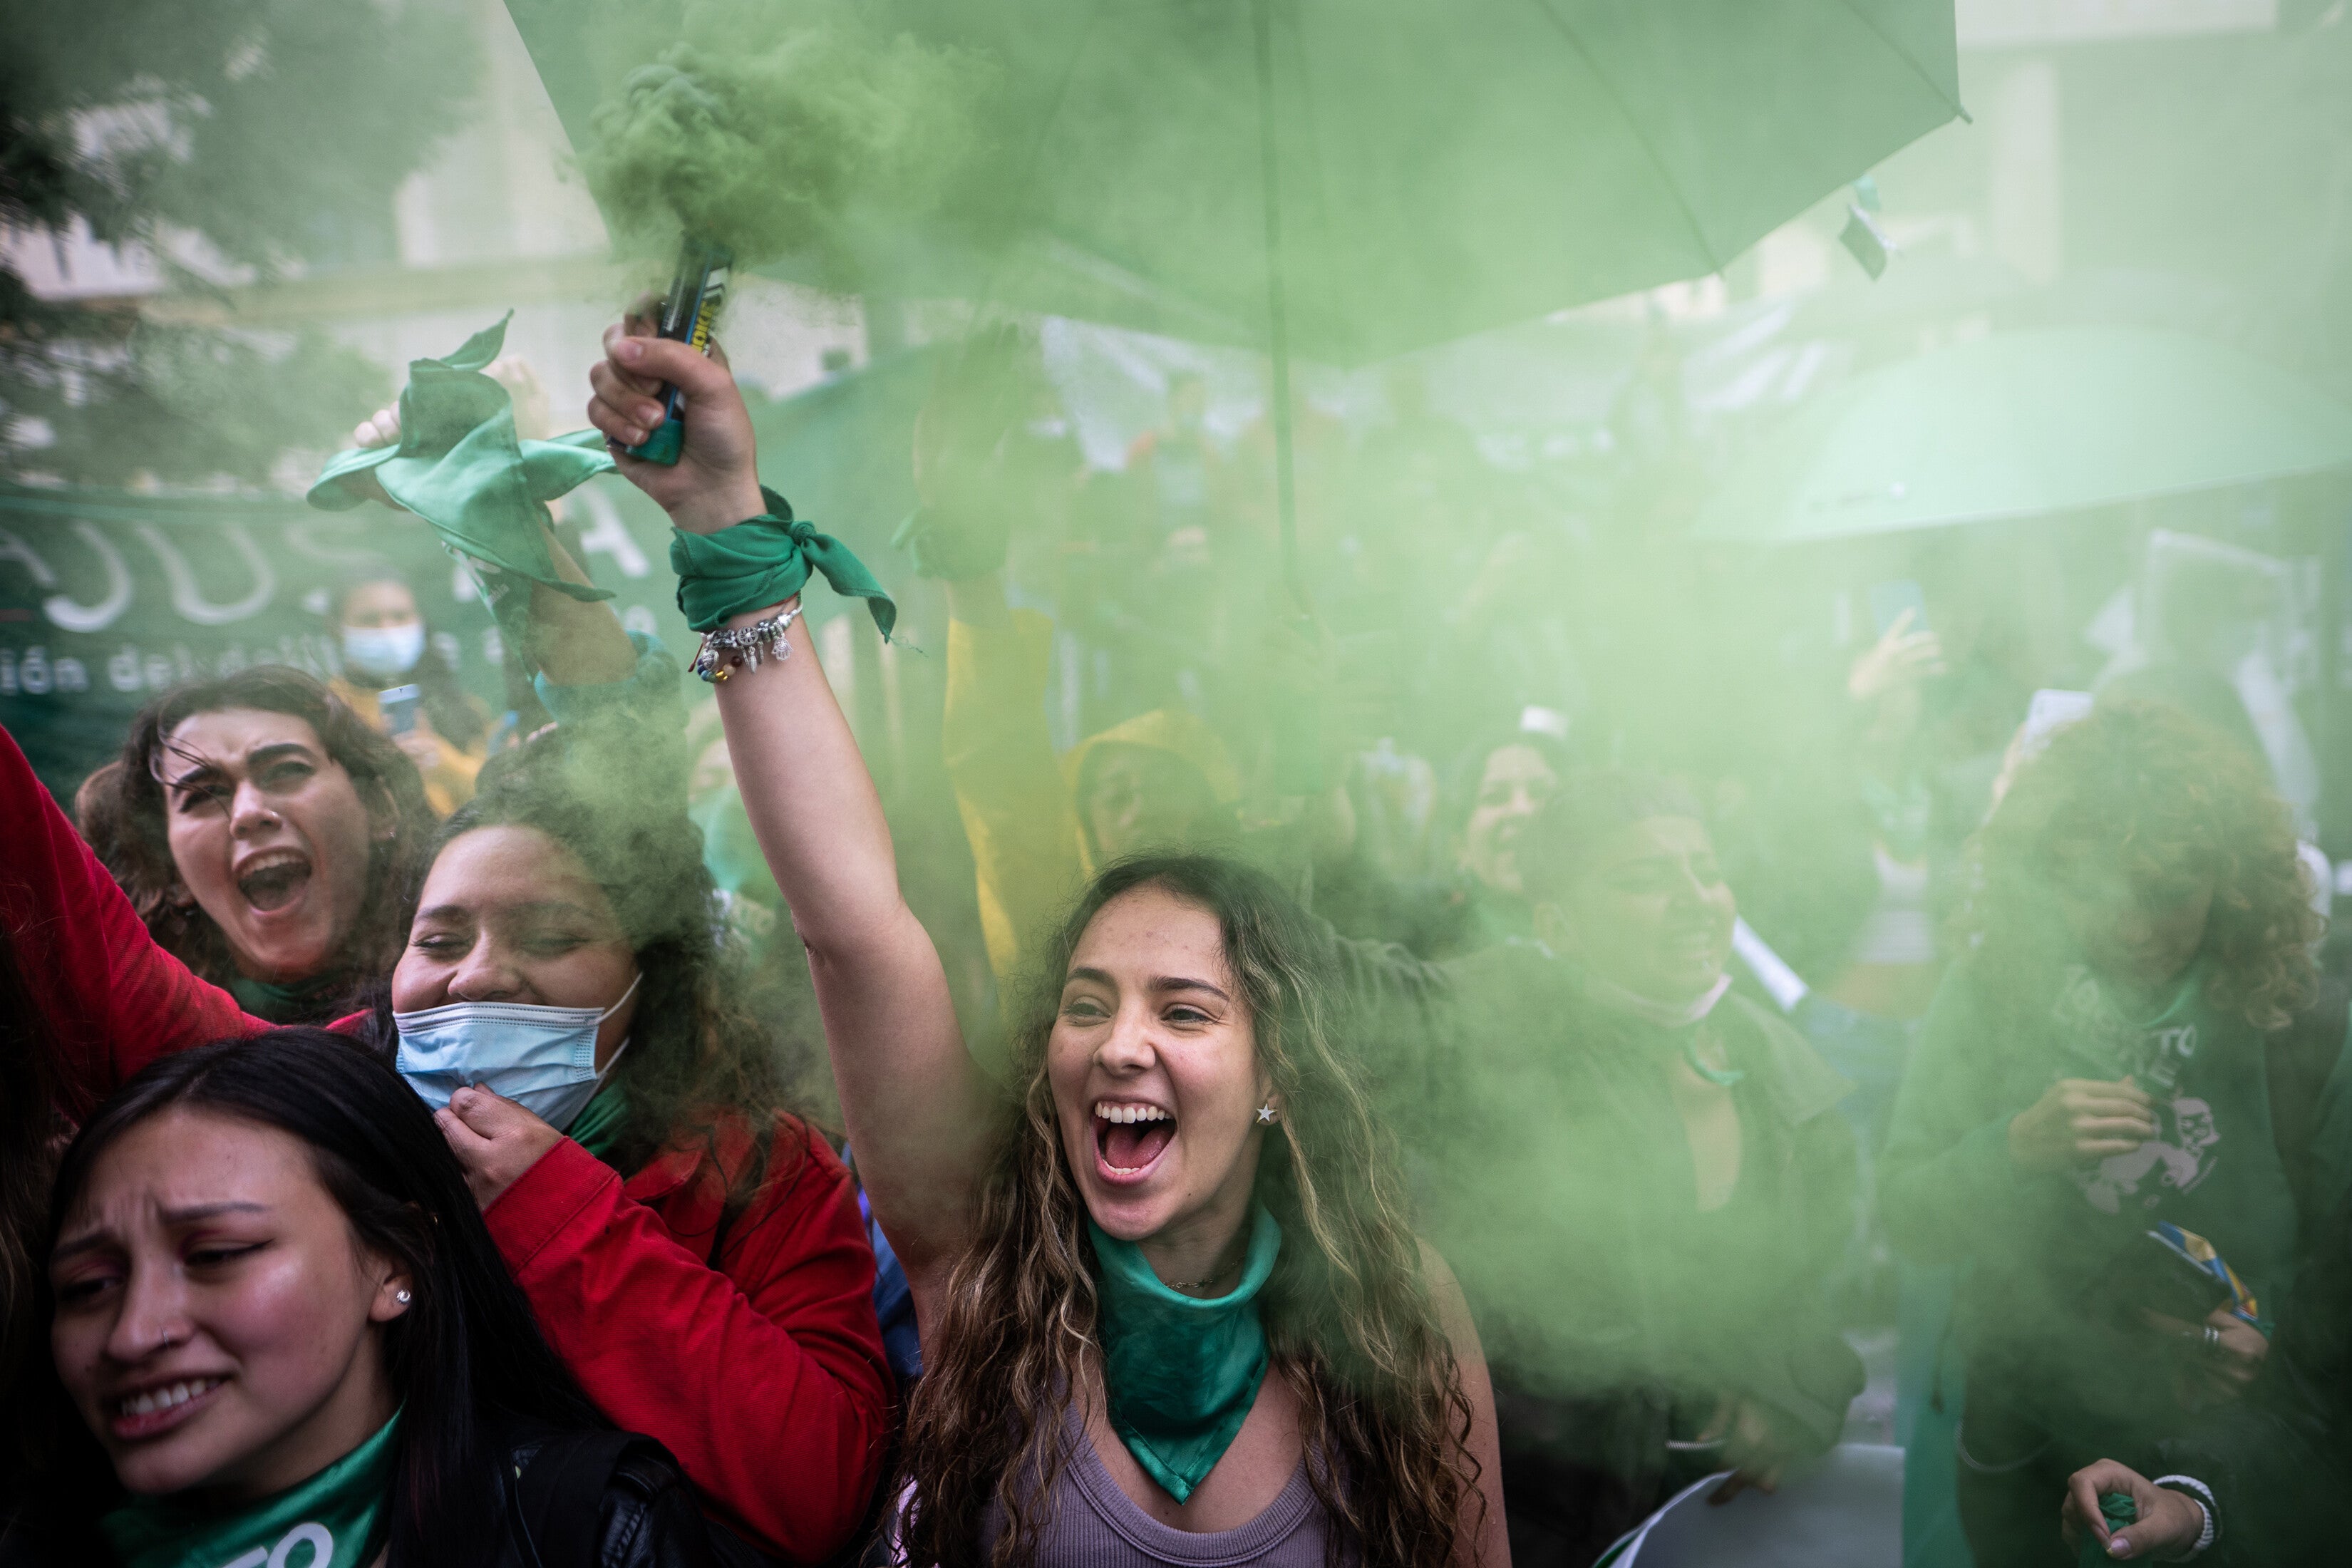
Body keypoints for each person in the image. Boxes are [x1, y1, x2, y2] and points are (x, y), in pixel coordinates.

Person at [585, 315, 1510, 1565]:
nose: (1121, 1043)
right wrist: (723, 529)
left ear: (1281, 1074)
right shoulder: (986, 1272)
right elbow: (856, 931)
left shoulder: (1400, 1321)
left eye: (1184, 1011)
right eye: (1087, 1005)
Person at [2, 713, 895, 1564]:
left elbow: (819, 1494)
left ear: (646, 986)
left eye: (551, 934)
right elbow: (97, 968)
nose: (479, 972)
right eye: (440, 938)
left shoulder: (761, 1171)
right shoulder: (319, 1102)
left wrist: (558, 1214)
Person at [1879, 701, 2349, 1567]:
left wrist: (2272, 1348)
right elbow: (1907, 1217)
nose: (2135, 927)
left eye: (2171, 893)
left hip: (2240, 1457)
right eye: (2095, 889)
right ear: (2044, 871)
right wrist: (2014, 1147)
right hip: (2029, 1442)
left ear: (2235, 881)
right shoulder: (1993, 992)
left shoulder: (2305, 1024)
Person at [18, 1031, 728, 1568]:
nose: (132, 1334)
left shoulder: (593, 1527)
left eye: (215, 1256)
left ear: (395, 1261)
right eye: (89, 1287)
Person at [1415, 773, 1863, 1568]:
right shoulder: (1494, 1074)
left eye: (1706, 870)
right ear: (1558, 923)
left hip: (1724, 1518)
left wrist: (1791, 1394)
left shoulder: (1786, 1081)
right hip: (1536, 1523)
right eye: (1644, 879)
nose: (1695, 898)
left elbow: (1814, 1308)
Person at [327, 570, 493, 816]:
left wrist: (442, 761)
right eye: (370, 619)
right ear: (336, 628)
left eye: (400, 616)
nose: (388, 629)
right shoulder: (327, 709)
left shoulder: (463, 705)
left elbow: (496, 793)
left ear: (420, 621)